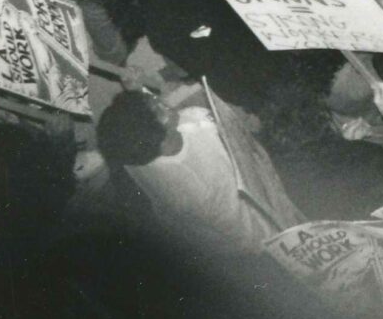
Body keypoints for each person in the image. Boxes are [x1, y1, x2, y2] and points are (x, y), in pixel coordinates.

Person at [93, 86, 272, 256]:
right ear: (156, 138)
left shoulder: (138, 158)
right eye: (157, 109)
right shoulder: (196, 188)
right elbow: (244, 232)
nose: (160, 100)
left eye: (152, 99)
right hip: (248, 229)